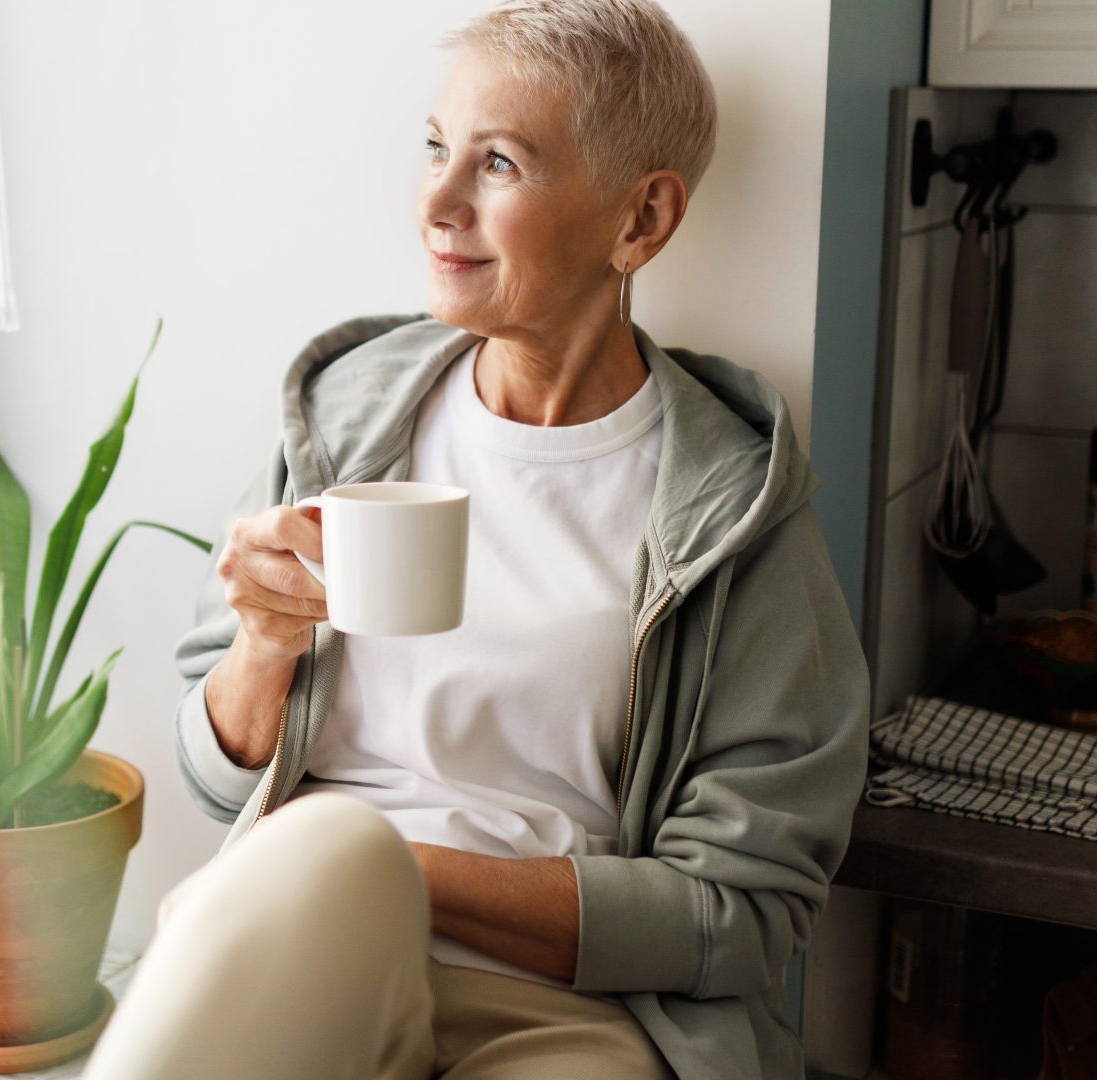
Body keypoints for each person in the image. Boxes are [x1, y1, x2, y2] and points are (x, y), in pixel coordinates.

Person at [79, 2, 870, 1079]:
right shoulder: (346, 420)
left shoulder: (737, 515)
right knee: (321, 852)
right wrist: (261, 645)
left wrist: (397, 865)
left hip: (574, 1009)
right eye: (437, 148)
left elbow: (745, 911)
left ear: (641, 221)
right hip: (311, 949)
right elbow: (221, 786)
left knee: (336, 846)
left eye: (497, 164)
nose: (438, 204)